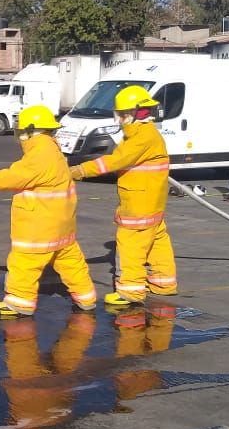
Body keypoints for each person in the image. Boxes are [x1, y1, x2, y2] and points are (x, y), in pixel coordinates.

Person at [0, 104, 97, 317]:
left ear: (31, 131)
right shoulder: (53, 150)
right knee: (71, 263)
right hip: (62, 226)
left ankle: (20, 303)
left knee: (24, 265)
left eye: (22, 132)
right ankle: (87, 298)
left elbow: (11, 177)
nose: (20, 137)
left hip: (38, 228)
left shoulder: (39, 155)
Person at [69, 86, 177, 308]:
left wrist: (79, 170)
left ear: (139, 113)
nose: (120, 120)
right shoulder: (146, 134)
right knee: (156, 243)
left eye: (124, 115)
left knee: (131, 245)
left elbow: (114, 161)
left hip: (139, 204)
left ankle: (130, 291)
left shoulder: (141, 137)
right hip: (152, 203)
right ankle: (163, 283)